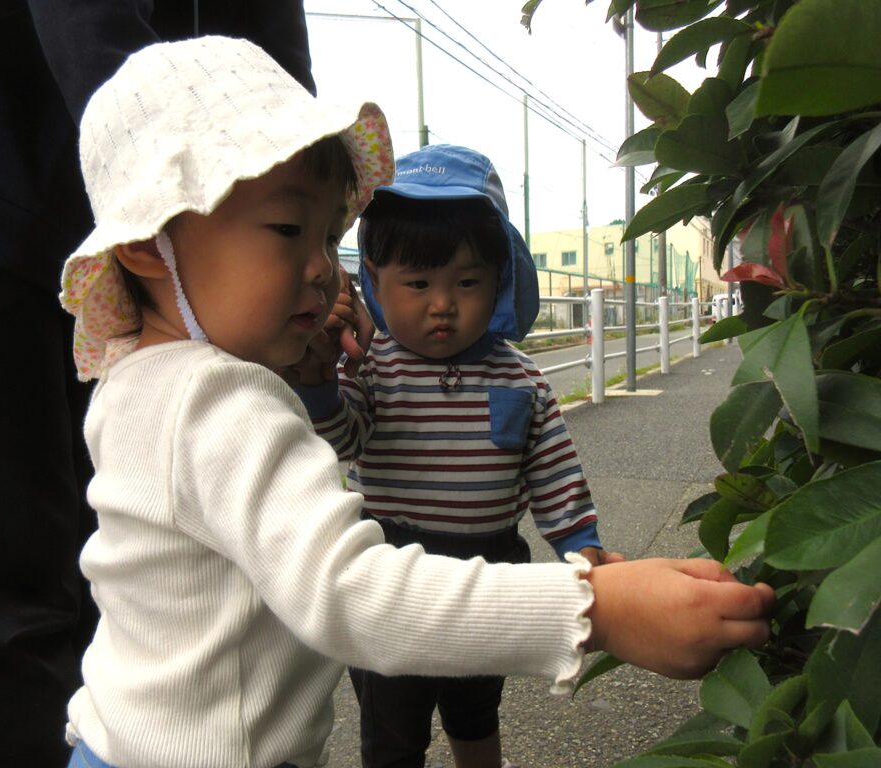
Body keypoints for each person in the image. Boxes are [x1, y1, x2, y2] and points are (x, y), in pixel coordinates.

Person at [59, 36, 774, 768]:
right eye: (286, 229)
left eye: (329, 236)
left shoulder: (140, 380)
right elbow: (350, 594)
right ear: (149, 241)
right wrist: (599, 609)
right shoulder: (220, 397)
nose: (319, 271)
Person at [0, 3, 319, 766]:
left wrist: (286, 219)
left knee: (125, 556)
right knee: (3, 584)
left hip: (158, 192)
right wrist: (190, 189)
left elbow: (268, 28)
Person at [292, 143, 627, 768]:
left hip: (491, 568)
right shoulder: (373, 365)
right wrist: (319, 386)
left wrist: (582, 543)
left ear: (498, 278)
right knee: (393, 731)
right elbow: (344, 439)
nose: (442, 303)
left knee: (475, 712)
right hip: (390, 571)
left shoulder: (520, 377)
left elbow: (552, 472)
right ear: (373, 276)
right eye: (417, 283)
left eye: (467, 282)